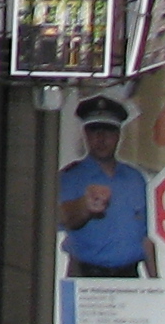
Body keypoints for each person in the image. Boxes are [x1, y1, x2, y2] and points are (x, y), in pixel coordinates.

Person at [60, 91, 154, 279]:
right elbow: (66, 219)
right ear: (86, 134)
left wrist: (156, 282)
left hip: (130, 278)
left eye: (108, 130)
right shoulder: (70, 178)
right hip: (87, 276)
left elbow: (146, 237)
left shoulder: (135, 179)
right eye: (95, 130)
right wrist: (85, 206)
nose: (101, 138)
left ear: (118, 135)